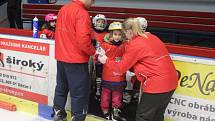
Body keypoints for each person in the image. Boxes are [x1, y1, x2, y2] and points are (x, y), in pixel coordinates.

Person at [97, 18, 178, 121]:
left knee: (143, 117)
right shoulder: (151, 36)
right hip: (171, 82)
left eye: (124, 33)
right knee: (157, 116)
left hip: (156, 85)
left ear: (129, 31)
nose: (124, 37)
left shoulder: (135, 44)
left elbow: (121, 68)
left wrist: (105, 60)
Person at [53, 0, 96, 121]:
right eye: (92, 1)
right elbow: (83, 40)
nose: (92, 4)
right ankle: (77, 118)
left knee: (61, 87)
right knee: (79, 93)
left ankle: (58, 114)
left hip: (61, 57)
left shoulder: (63, 9)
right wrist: (93, 51)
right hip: (76, 60)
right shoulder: (82, 13)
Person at [98, 22, 127, 121]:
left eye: (119, 34)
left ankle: (116, 110)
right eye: (115, 34)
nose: (117, 37)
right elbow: (99, 57)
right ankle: (105, 110)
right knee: (105, 95)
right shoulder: (105, 45)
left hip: (119, 77)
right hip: (107, 76)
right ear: (110, 35)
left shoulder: (125, 45)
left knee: (117, 95)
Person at [91, 14, 108, 101]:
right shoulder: (91, 32)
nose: (100, 24)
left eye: (102, 22)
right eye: (99, 21)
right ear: (94, 22)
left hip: (101, 59)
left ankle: (98, 91)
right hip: (90, 59)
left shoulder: (107, 34)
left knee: (99, 75)